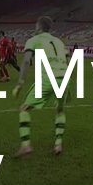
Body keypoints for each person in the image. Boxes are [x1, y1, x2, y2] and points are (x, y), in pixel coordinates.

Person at [12, 16, 69, 157]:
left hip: (48, 78)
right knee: (60, 111)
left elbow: (26, 62)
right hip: (63, 78)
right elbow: (67, 61)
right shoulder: (59, 42)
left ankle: (26, 146)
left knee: (24, 109)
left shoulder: (34, 40)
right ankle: (58, 145)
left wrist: (19, 84)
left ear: (38, 27)